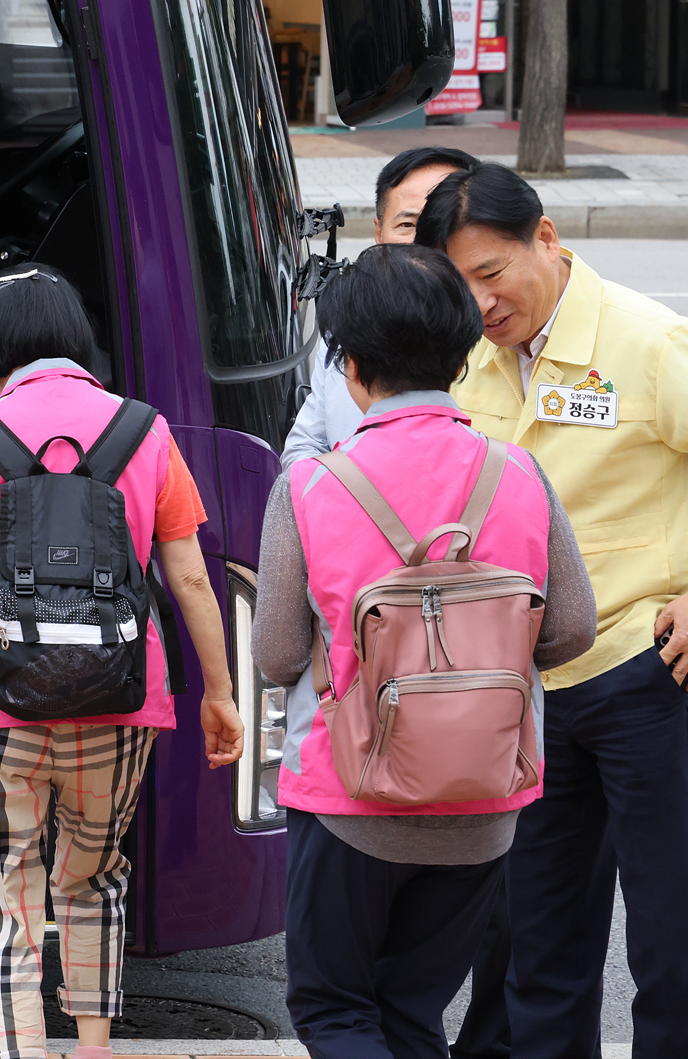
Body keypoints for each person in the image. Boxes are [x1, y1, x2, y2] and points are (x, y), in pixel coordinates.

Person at [414, 164, 688, 1059]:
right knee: (541, 931)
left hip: (647, 665)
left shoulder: (650, 341)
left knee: (668, 926)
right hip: (528, 682)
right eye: (460, 284)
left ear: (546, 239)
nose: (480, 303)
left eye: (492, 273)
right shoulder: (474, 360)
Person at [252, 243, 599, 1059]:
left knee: (335, 1011)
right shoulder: (520, 475)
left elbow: (275, 654)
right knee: (411, 1011)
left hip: (348, 797)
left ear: (350, 364)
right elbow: (571, 629)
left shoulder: (310, 485)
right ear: (462, 355)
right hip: (485, 800)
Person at [0, 264, 245, 1059]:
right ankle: (94, 1048)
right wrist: (220, 693)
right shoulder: (145, 430)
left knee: (0, 897)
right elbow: (190, 578)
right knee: (94, 875)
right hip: (120, 697)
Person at [282, 145, 479, 468]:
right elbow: (305, 445)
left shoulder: (501, 326)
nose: (425, 241)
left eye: (445, 222)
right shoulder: (349, 323)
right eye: (407, 225)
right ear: (379, 231)